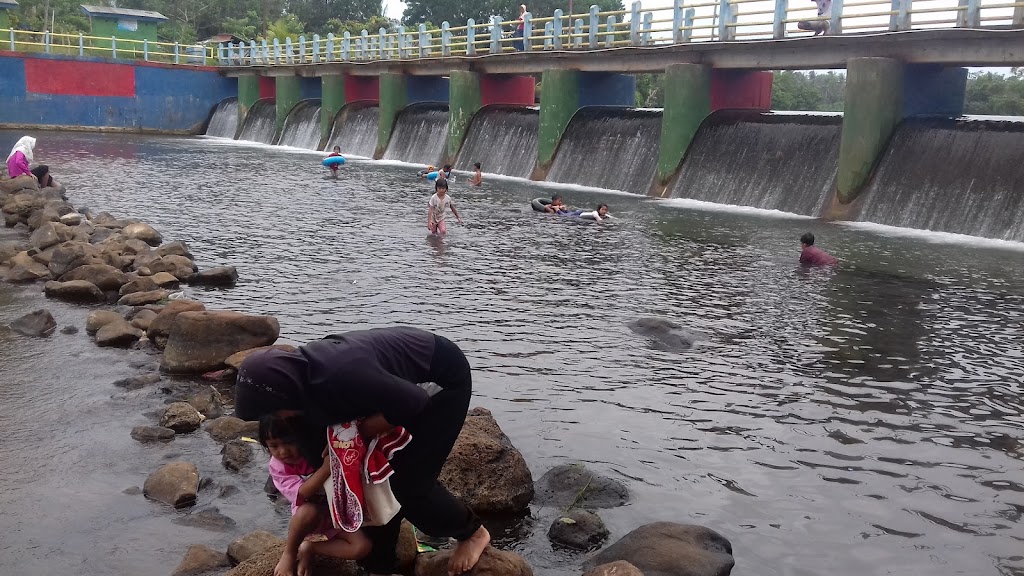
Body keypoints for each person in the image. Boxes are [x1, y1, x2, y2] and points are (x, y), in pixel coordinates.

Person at [235, 327, 493, 576]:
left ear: (286, 394)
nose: (276, 419)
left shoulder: (338, 376)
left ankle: (471, 532)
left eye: (275, 411)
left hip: (437, 382)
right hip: (389, 390)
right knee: (356, 473)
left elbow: (414, 400)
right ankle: (381, 566)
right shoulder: (299, 391)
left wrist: (361, 433)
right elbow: (328, 468)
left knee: (407, 483)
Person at [261, 414, 372, 576]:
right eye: (274, 446)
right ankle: (290, 553)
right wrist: (327, 468)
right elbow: (301, 495)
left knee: (362, 547)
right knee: (307, 511)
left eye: (289, 442)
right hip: (311, 519)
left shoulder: (314, 449)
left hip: (337, 513)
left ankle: (310, 548)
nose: (283, 451)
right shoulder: (278, 467)